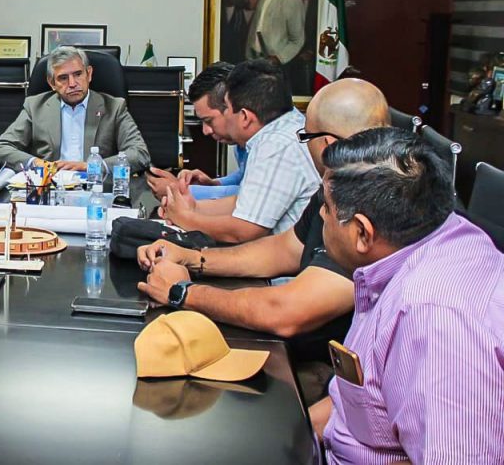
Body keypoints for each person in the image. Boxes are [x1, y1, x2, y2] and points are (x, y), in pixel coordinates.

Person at [136, 79, 391, 364]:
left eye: (305, 137)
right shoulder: (340, 183)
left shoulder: (372, 205)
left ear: (327, 144)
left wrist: (181, 292)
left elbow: (286, 312)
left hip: (321, 367)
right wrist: (192, 257)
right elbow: (284, 250)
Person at [308, 127, 504, 464]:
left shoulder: (434, 319)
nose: (322, 215)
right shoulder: (437, 237)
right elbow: (359, 408)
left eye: (326, 207)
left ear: (362, 233)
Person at [159, 59, 319, 243]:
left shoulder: (276, 145)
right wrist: (192, 207)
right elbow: (245, 202)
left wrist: (185, 218)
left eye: (227, 108)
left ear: (244, 116)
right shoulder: (283, 128)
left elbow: (243, 230)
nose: (225, 114)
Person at [0, 46, 150, 172]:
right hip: (50, 187)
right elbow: (1, 148)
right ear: (52, 83)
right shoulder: (35, 106)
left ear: (89, 74)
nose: (72, 84)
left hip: (95, 188)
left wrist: (92, 167)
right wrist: (37, 163)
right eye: (63, 78)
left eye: (78, 74)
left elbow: (140, 153)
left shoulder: (114, 107)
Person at [146, 62, 246, 201]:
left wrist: (181, 190)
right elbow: (244, 175)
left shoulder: (267, 143)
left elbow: (250, 196)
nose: (205, 131)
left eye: (209, 120)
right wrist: (213, 184)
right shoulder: (241, 143)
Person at [246, 0, 306, 76]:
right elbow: (253, 30)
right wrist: (249, 56)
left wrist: (278, 58)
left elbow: (297, 40)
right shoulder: (262, 0)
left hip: (277, 64)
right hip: (255, 61)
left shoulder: (292, 0)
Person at [220, 0, 268, 64]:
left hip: (254, 55)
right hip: (236, 54)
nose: (250, 1)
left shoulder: (261, 14)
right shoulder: (235, 13)